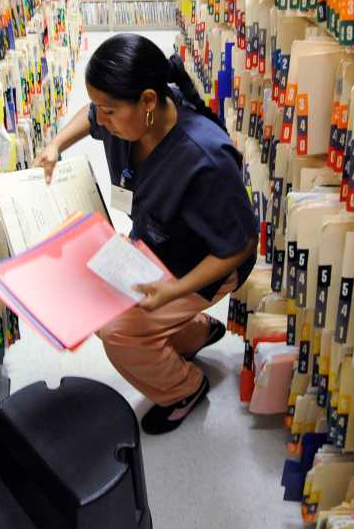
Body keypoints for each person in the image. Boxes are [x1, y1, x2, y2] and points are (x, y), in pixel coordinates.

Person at [34, 34, 259, 435]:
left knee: (116, 331)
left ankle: (184, 387)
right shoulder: (130, 122)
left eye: (109, 111)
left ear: (149, 101)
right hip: (157, 246)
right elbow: (89, 116)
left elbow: (236, 246)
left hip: (206, 265)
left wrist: (175, 291)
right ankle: (193, 332)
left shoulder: (205, 157)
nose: (100, 120)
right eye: (100, 108)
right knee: (89, 284)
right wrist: (54, 145)